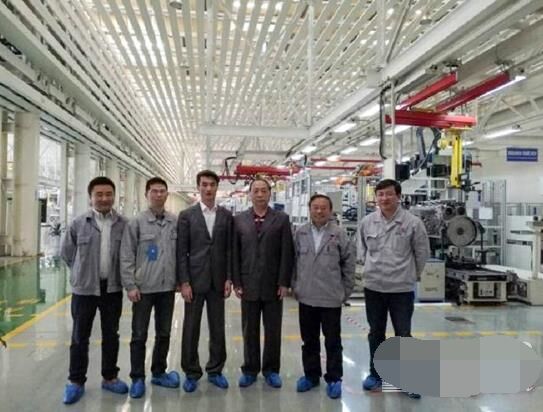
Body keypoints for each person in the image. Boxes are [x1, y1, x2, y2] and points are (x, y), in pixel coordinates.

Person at [357, 179, 430, 399]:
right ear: (376, 198)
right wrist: (368, 269)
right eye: (380, 194)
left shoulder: (413, 223)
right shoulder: (367, 222)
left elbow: (422, 253)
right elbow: (361, 250)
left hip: (401, 289)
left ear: (398, 196)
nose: (384, 198)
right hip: (374, 286)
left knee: (403, 334)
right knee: (376, 333)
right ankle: (375, 375)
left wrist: (411, 275)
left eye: (389, 194)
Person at [61, 177, 128, 404]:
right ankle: (76, 381)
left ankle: (110, 377)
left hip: (112, 288)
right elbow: (67, 254)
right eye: (99, 194)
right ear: (91, 197)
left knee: (111, 335)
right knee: (80, 336)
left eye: (108, 194)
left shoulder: (123, 224)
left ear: (114, 196)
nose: (104, 198)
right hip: (84, 290)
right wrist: (82, 273)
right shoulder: (78, 224)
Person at [120, 177, 180, 398]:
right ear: (147, 194)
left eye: (162, 191)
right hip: (143, 289)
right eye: (154, 191)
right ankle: (137, 377)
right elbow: (126, 255)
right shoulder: (136, 223)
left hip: (167, 288)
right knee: (139, 334)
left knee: (164, 333)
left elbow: (180, 253)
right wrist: (130, 285)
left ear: (167, 195)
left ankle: (159, 372)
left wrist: (179, 280)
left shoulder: (174, 222)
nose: (158, 194)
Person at [232, 177, 294, 388]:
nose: (259, 194)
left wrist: (284, 282)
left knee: (273, 330)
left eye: (263, 190)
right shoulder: (239, 220)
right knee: (249, 330)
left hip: (273, 285)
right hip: (248, 283)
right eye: (256, 190)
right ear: (250, 194)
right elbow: (235, 253)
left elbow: (287, 253)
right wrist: (237, 281)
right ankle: (250, 369)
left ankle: (271, 370)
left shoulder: (281, 219)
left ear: (269, 193)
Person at [292, 194, 355, 399]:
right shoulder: (300, 233)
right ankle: (311, 376)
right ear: (310, 209)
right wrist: (296, 286)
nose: (319, 211)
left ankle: (334, 378)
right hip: (307, 296)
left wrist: (345, 291)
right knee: (309, 340)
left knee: (333, 341)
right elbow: (293, 262)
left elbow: (349, 264)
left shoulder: (339, 234)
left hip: (331, 298)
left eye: (323, 208)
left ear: (330, 210)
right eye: (315, 207)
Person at [177, 170, 233, 392]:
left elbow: (229, 250)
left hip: (218, 280)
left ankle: (215, 370)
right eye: (204, 185)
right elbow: (181, 251)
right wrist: (184, 282)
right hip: (194, 280)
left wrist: (229, 277)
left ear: (217, 187)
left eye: (212, 185)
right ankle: (191, 372)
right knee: (191, 328)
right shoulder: (187, 215)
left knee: (218, 328)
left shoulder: (226, 216)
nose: (208, 188)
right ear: (198, 187)